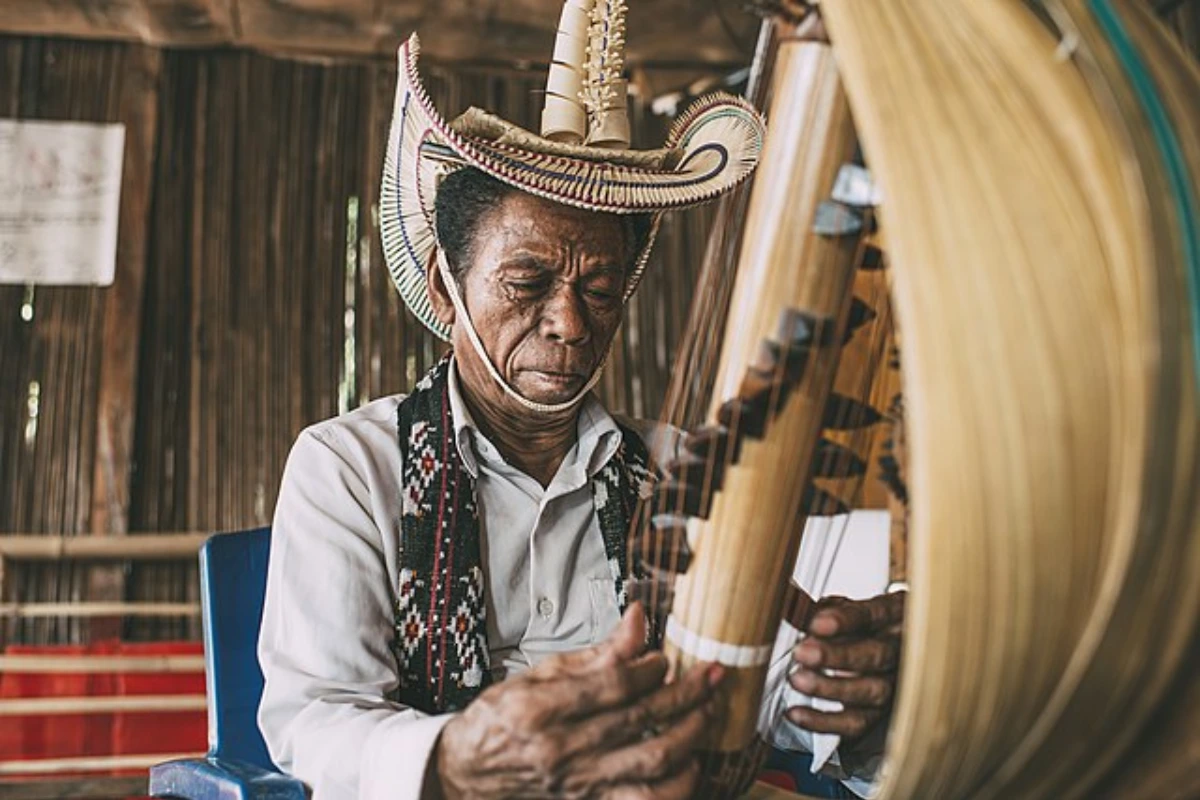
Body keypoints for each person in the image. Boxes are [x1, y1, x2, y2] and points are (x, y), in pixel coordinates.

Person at [259, 18, 903, 800]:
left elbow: (752, 698)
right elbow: (314, 721)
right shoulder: (351, 468)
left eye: (599, 291)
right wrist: (458, 757)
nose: (570, 323)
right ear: (443, 285)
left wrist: (852, 698)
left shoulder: (682, 471)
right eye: (528, 284)